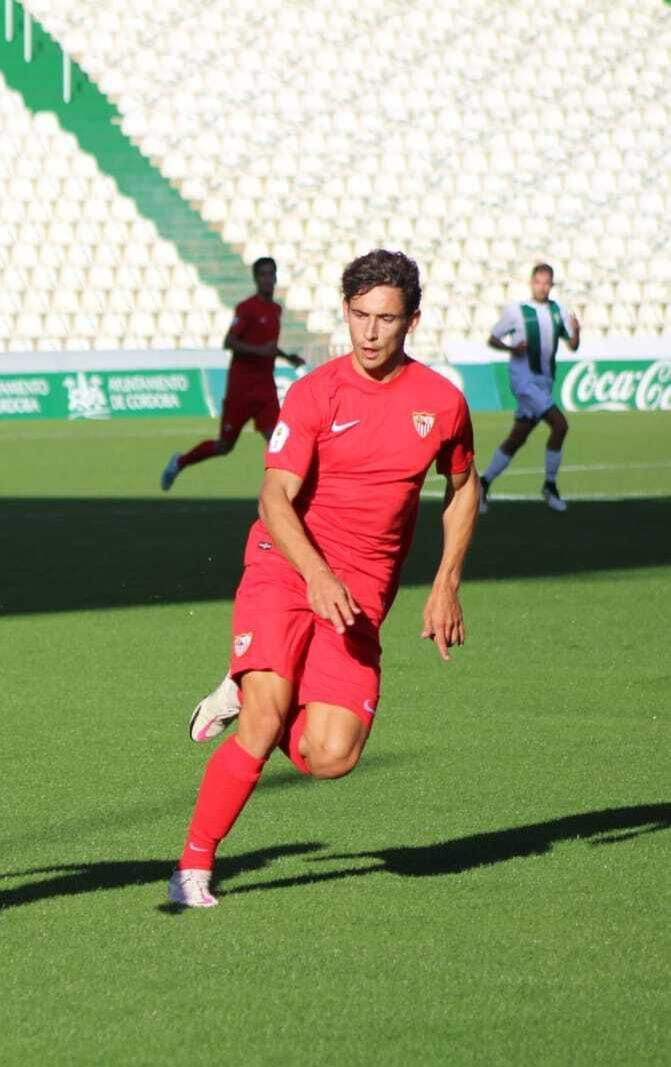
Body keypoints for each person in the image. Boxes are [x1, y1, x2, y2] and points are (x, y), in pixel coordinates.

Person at [170, 249, 479, 909]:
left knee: (332, 752)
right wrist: (313, 572)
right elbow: (274, 498)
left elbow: (463, 486)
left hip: (361, 595)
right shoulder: (315, 393)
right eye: (360, 315)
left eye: (386, 319)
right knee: (265, 714)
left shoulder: (442, 403)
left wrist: (447, 580)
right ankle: (192, 866)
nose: (370, 332)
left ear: (411, 321)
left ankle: (252, 682)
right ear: (345, 311)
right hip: (287, 564)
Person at [162, 257, 305, 490]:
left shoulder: (276, 309)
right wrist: (261, 351)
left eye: (271, 274)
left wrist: (287, 357)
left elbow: (267, 345)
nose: (268, 279)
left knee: (277, 441)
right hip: (241, 390)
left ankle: (282, 493)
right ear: (256, 279)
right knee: (224, 446)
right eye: (263, 274)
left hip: (265, 390)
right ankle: (180, 461)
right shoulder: (247, 308)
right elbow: (229, 342)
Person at [482, 263, 581, 512]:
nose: (542, 287)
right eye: (538, 282)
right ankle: (550, 486)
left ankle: (482, 485)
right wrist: (511, 348)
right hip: (524, 382)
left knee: (517, 438)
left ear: (551, 284)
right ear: (531, 283)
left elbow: (573, 345)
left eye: (546, 283)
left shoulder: (558, 310)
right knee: (560, 425)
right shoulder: (518, 310)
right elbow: (493, 338)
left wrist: (577, 331)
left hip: (544, 383)